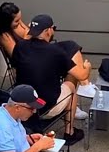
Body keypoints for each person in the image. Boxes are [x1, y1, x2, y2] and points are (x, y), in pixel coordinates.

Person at [11, 15, 90, 144]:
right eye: (53, 28)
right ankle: (69, 133)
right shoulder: (56, 52)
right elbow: (82, 75)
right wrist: (87, 66)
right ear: (48, 30)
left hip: (21, 102)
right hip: (44, 107)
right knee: (71, 83)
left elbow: (16, 65)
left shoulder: (20, 46)